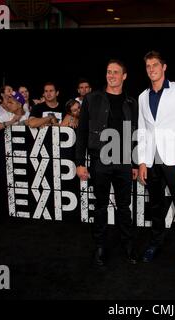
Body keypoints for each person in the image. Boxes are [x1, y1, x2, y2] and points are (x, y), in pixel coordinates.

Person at [75, 59, 138, 267]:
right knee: (100, 206)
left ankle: (128, 246)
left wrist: (136, 163)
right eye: (108, 72)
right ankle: (100, 246)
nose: (111, 75)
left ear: (124, 76)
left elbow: (135, 135)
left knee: (124, 207)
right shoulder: (92, 99)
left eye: (115, 72)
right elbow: (82, 132)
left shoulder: (131, 102)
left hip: (124, 161)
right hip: (99, 159)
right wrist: (80, 162)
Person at [137, 51, 175, 271]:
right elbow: (143, 130)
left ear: (164, 67)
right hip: (152, 161)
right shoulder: (143, 96)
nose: (151, 69)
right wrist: (142, 161)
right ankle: (155, 243)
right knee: (155, 206)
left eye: (155, 65)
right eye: (148, 66)